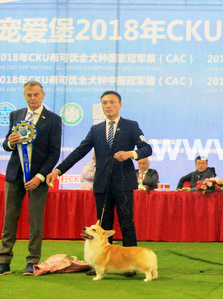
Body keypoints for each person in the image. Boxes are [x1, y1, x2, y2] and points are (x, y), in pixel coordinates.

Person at [47, 90, 152, 248]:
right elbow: (79, 151)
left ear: (120, 105)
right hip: (102, 184)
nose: (108, 106)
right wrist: (58, 171)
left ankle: (130, 259)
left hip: (123, 183)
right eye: (104, 103)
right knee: (103, 225)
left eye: (112, 102)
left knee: (126, 223)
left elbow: (147, 149)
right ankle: (103, 259)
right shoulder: (96, 129)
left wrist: (130, 154)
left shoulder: (130, 126)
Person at [0, 81, 62, 276]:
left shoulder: (53, 119)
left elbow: (54, 153)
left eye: (36, 95)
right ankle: (3, 262)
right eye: (29, 95)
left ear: (43, 95)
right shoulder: (16, 115)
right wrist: (10, 142)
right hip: (14, 175)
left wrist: (40, 177)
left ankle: (32, 262)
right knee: (9, 218)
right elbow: (6, 145)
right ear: (24, 96)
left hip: (38, 178)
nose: (33, 98)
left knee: (35, 220)